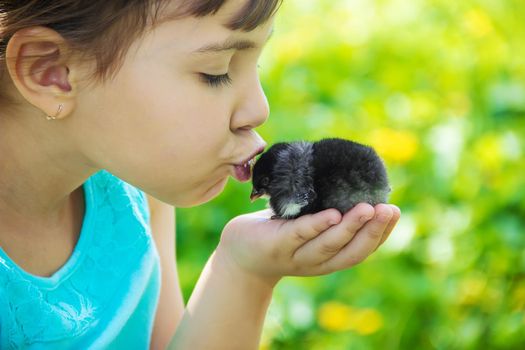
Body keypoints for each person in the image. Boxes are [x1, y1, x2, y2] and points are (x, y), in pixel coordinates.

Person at [0, 0, 401, 348]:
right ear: (51, 71)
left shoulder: (133, 195)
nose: (259, 108)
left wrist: (245, 272)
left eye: (255, 62)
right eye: (216, 71)